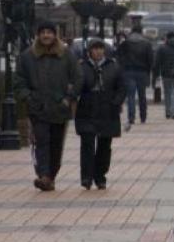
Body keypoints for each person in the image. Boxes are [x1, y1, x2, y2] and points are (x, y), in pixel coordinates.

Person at [15, 21, 80, 192]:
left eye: (49, 32)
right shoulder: (28, 56)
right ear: (38, 35)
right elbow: (19, 80)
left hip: (59, 108)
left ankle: (50, 176)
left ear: (55, 34)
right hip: (38, 107)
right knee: (41, 141)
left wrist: (69, 97)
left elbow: (78, 77)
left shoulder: (66, 54)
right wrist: (27, 97)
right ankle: (43, 175)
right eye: (42, 32)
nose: (46, 35)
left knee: (56, 144)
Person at [75, 39, 125, 190]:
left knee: (104, 145)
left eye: (100, 49)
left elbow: (121, 87)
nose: (98, 52)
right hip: (87, 109)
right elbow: (76, 86)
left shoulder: (114, 66)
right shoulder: (82, 67)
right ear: (89, 51)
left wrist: (116, 102)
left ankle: (100, 175)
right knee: (87, 144)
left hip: (107, 109)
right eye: (95, 49)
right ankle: (86, 177)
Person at [117, 25, 154, 131]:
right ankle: (143, 116)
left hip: (128, 72)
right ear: (141, 32)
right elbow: (150, 59)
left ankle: (131, 117)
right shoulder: (146, 44)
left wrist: (123, 68)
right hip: (142, 72)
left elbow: (119, 56)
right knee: (142, 96)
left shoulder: (125, 43)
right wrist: (148, 71)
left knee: (131, 96)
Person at [153, 31, 174, 120]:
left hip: (165, 74)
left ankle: (167, 112)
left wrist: (156, 73)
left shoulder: (162, 48)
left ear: (167, 38)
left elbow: (157, 62)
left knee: (167, 93)